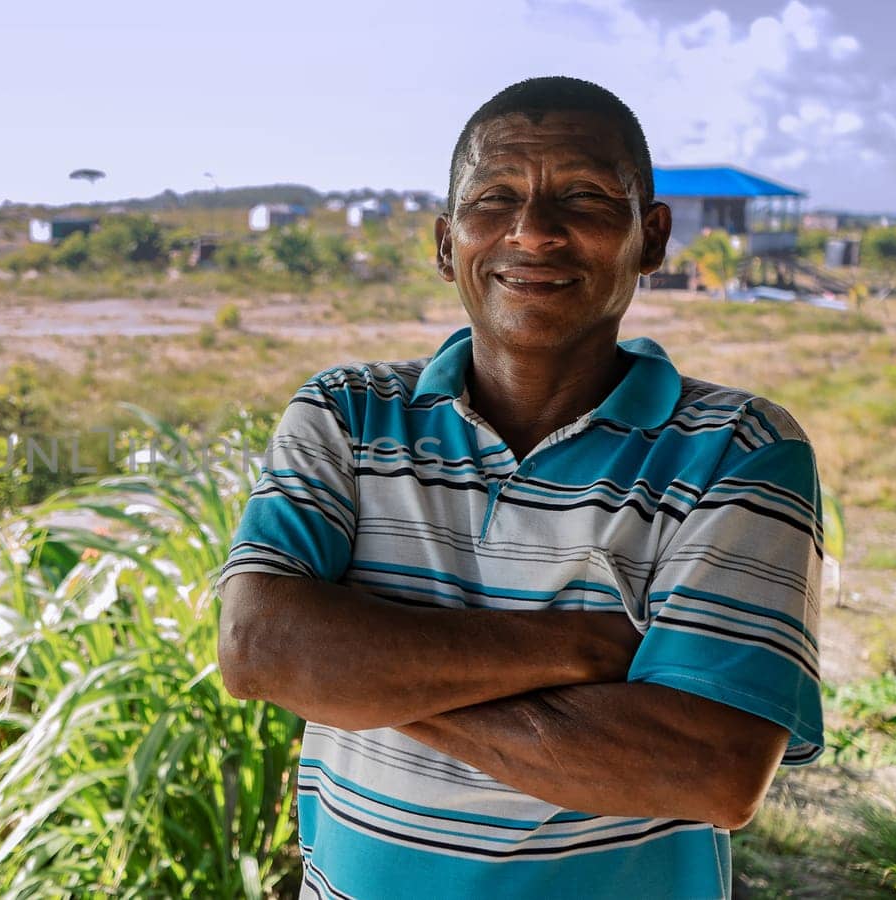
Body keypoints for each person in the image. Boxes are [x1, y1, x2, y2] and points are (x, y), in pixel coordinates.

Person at [216, 76, 823, 900]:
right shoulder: (347, 415)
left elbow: (711, 769)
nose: (533, 232)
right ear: (444, 244)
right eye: (493, 198)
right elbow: (258, 649)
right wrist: (576, 649)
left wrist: (359, 672)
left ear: (652, 238)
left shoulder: (739, 450)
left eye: (584, 198)